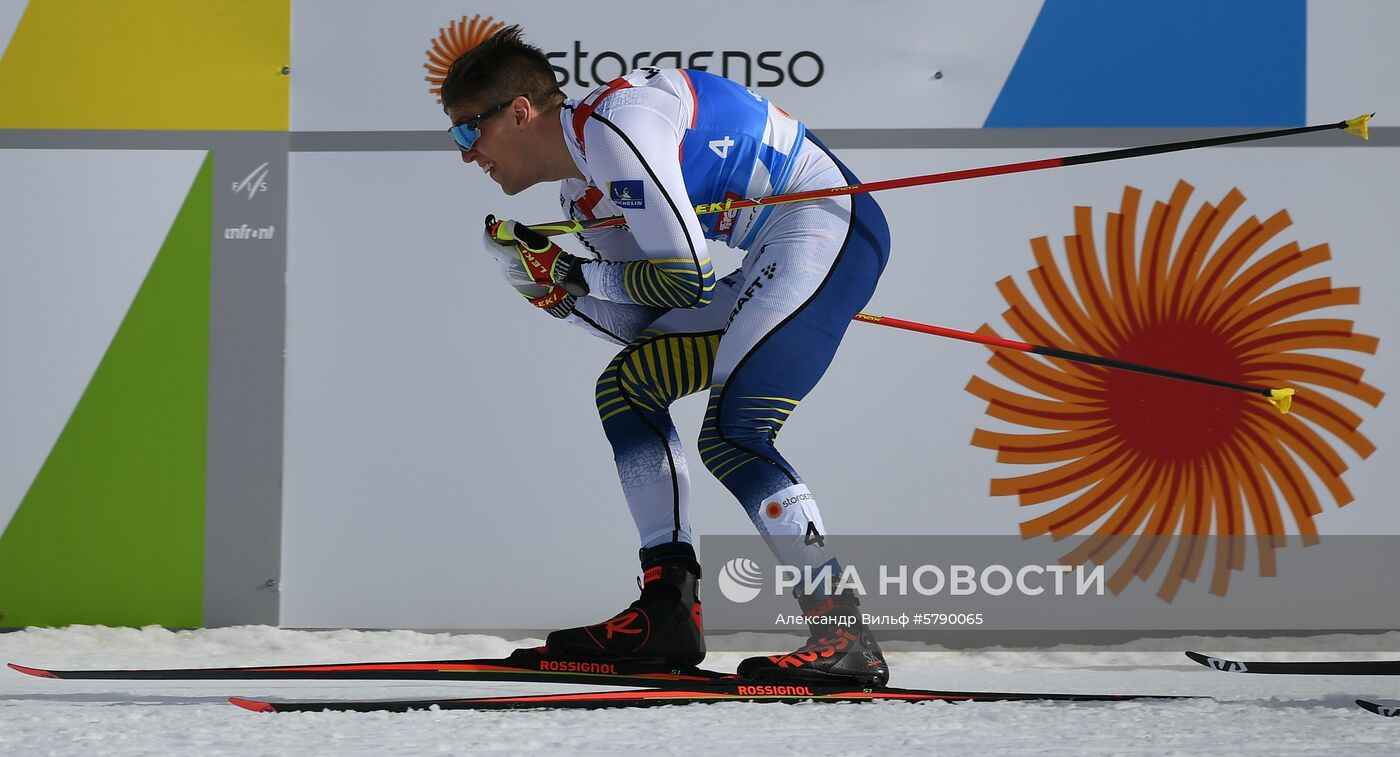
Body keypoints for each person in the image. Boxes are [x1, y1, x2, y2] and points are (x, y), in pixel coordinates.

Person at [441, 26, 891, 685]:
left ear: (518, 112)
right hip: (773, 251)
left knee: (735, 433)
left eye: (465, 133)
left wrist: (566, 272)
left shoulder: (614, 131)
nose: (465, 155)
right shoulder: (580, 194)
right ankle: (668, 609)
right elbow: (654, 321)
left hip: (826, 226)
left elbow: (686, 281)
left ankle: (846, 632)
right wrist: (551, 291)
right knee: (630, 385)